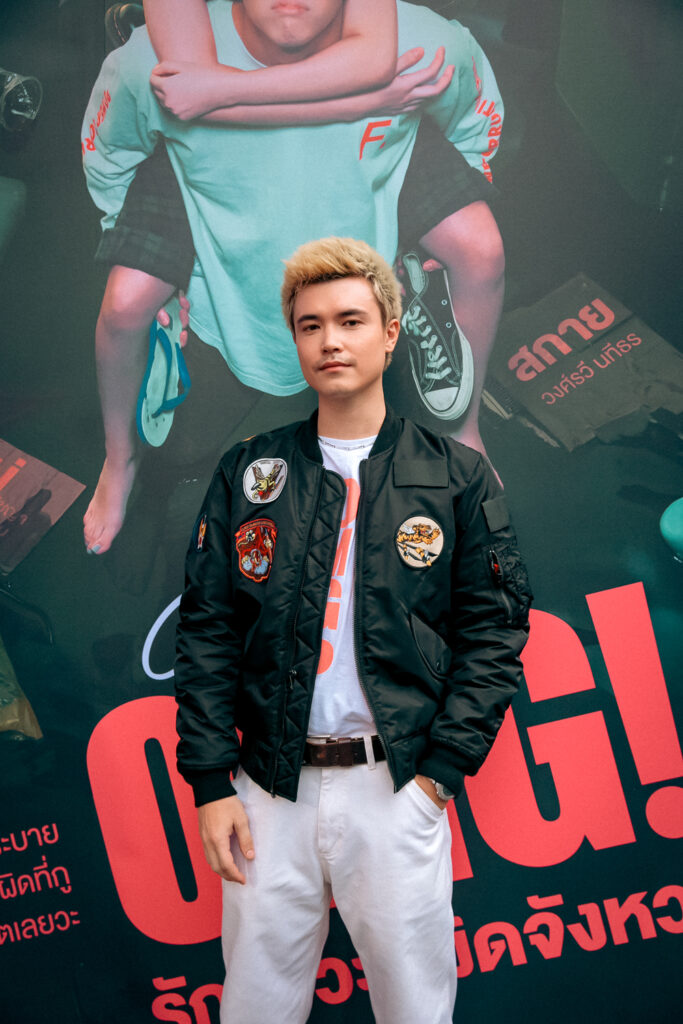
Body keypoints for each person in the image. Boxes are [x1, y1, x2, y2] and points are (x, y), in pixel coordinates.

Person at [174, 237, 531, 1023]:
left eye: (349, 321)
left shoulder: (455, 476)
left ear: (391, 331)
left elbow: (495, 631)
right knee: (255, 1009)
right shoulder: (249, 473)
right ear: (294, 339)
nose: (330, 341)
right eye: (310, 325)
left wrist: (439, 776)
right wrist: (209, 783)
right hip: (267, 791)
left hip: (395, 788)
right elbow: (206, 629)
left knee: (416, 1010)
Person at [82, 0, 504, 554]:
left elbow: (474, 116)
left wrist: (429, 221)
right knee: (124, 306)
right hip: (206, 174)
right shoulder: (146, 64)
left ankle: (463, 428)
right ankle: (120, 459)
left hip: (372, 165)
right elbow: (109, 153)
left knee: (481, 250)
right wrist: (133, 240)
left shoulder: (424, 44)